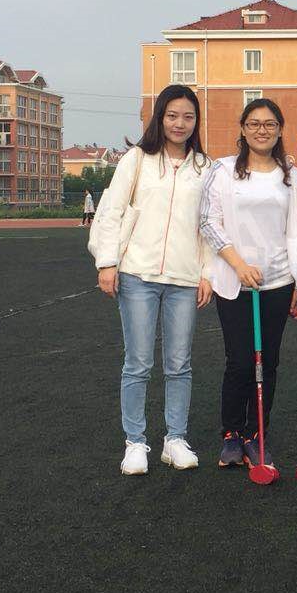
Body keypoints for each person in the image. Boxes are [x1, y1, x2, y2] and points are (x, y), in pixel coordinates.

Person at [90, 84, 213, 476]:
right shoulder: (137, 159)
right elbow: (112, 210)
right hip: (137, 275)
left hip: (184, 278)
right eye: (172, 115)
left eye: (188, 117)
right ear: (160, 118)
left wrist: (206, 273)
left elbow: (210, 226)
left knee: (179, 364)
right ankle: (135, 442)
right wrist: (107, 263)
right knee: (138, 362)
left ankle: (175, 439)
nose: (180, 123)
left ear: (196, 122)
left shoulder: (204, 168)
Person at [200, 98, 297, 473]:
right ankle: (231, 434)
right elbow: (208, 221)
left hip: (278, 281)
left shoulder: (291, 174)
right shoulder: (223, 169)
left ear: (280, 130)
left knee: (268, 362)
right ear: (243, 129)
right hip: (235, 281)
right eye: (254, 123)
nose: (262, 130)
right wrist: (239, 265)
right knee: (240, 362)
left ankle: (257, 434)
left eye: (270, 124)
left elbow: (296, 230)